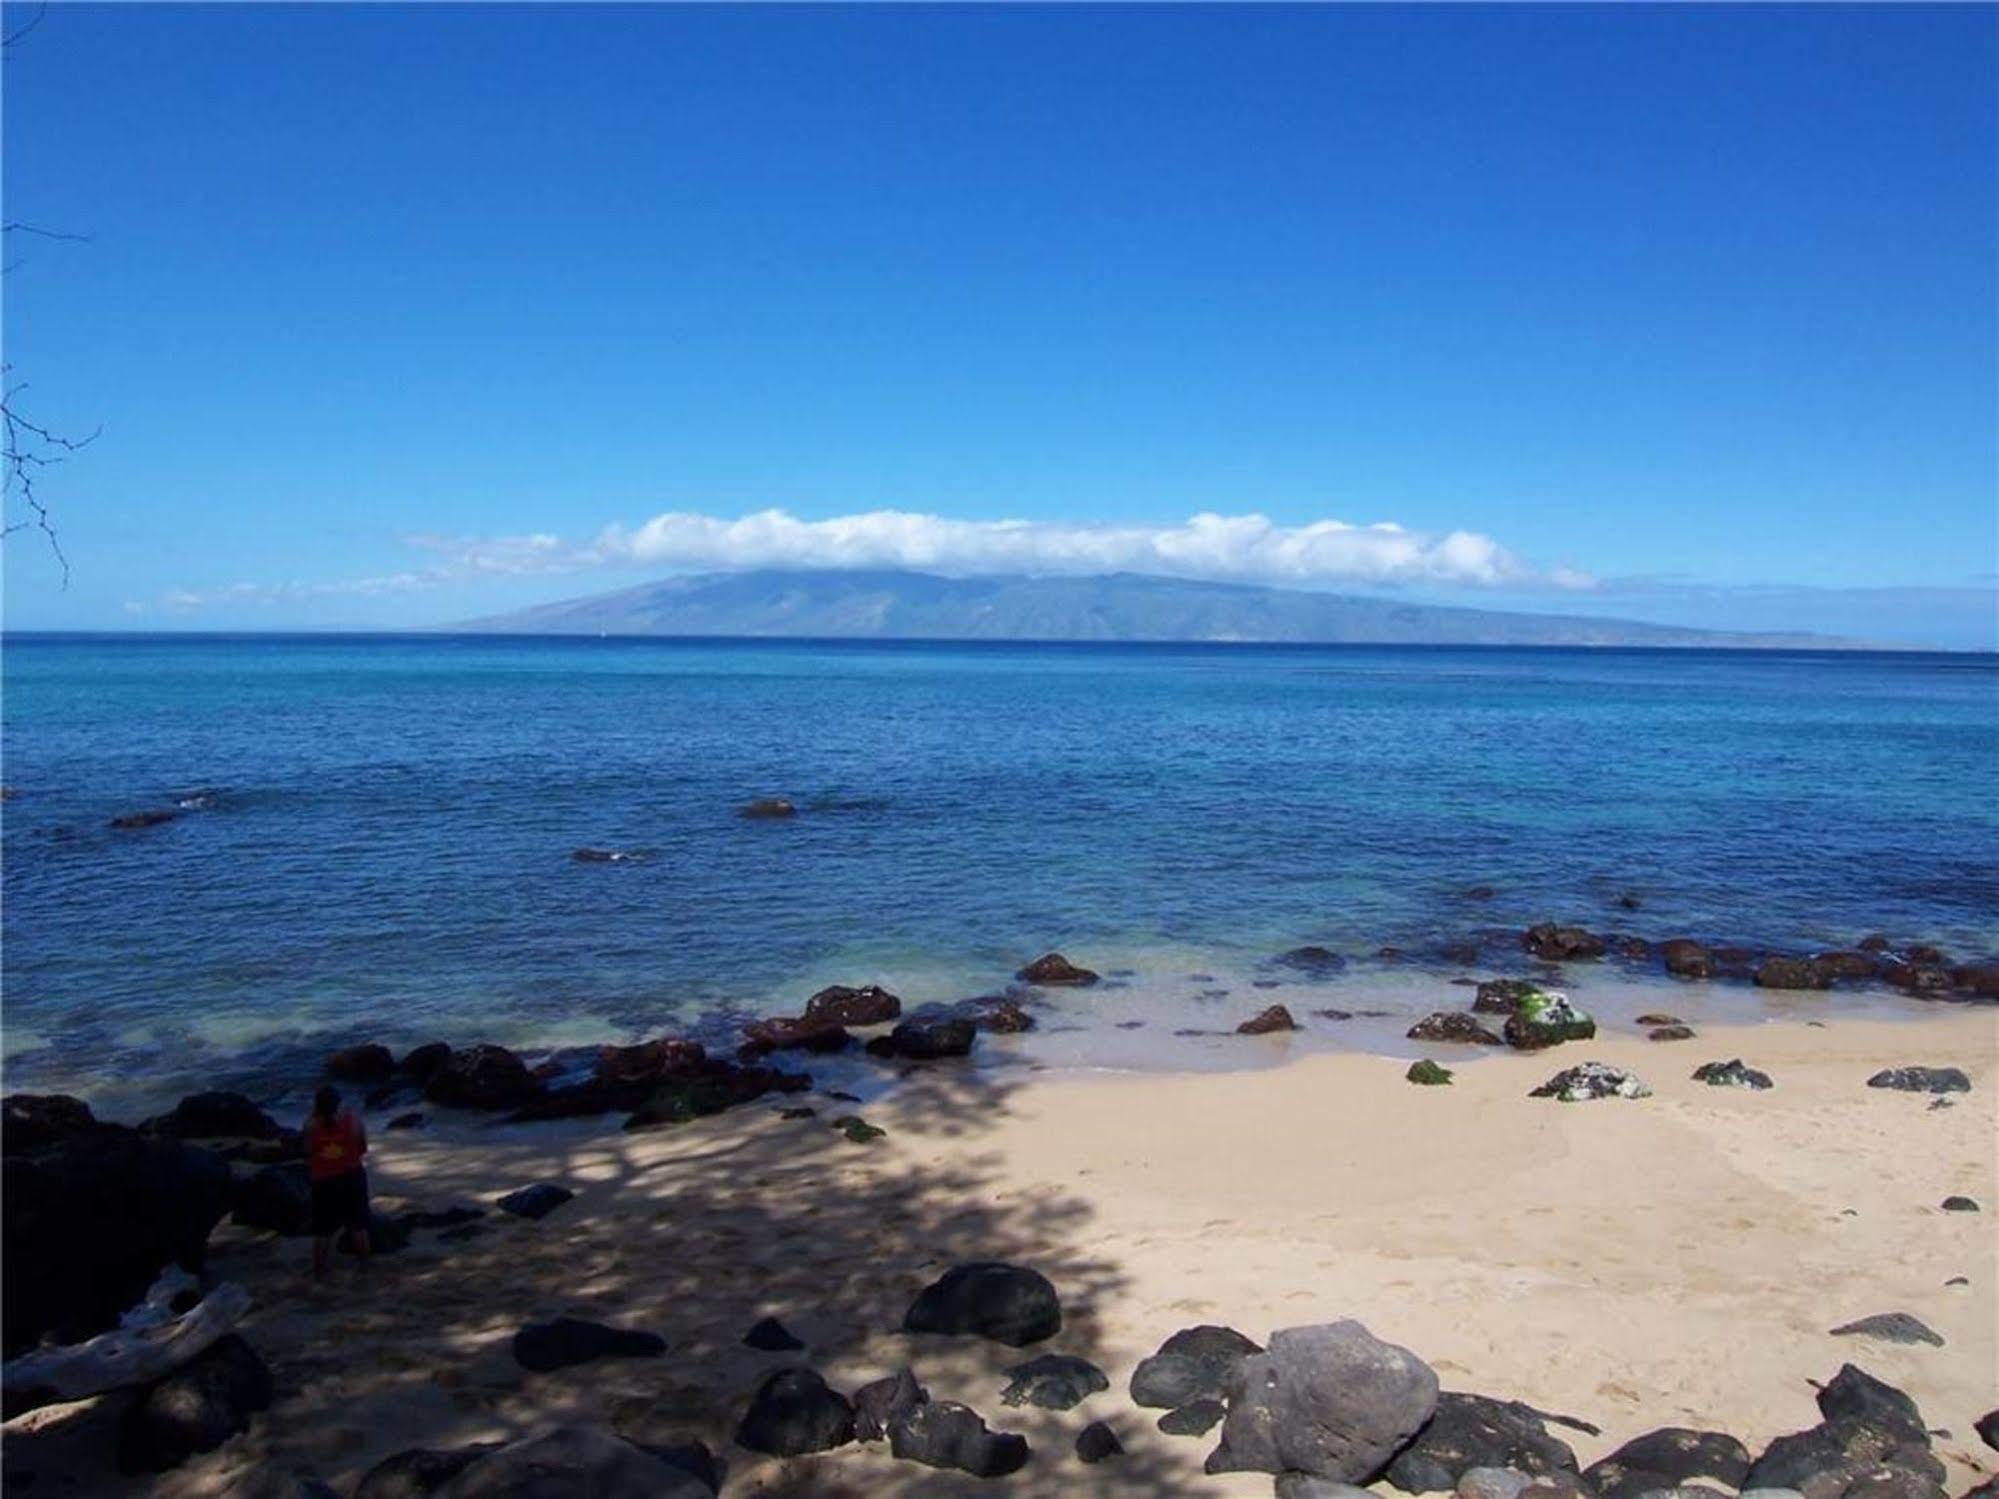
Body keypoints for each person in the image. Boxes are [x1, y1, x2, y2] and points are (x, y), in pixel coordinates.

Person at [304, 1084, 371, 1276]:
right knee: (358, 1225)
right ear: (338, 1103)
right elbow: (363, 1147)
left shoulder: (310, 1125)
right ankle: (364, 1265)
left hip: (323, 1181)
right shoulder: (353, 1121)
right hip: (351, 1176)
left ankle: (319, 1269)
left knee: (322, 1230)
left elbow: (308, 1152)